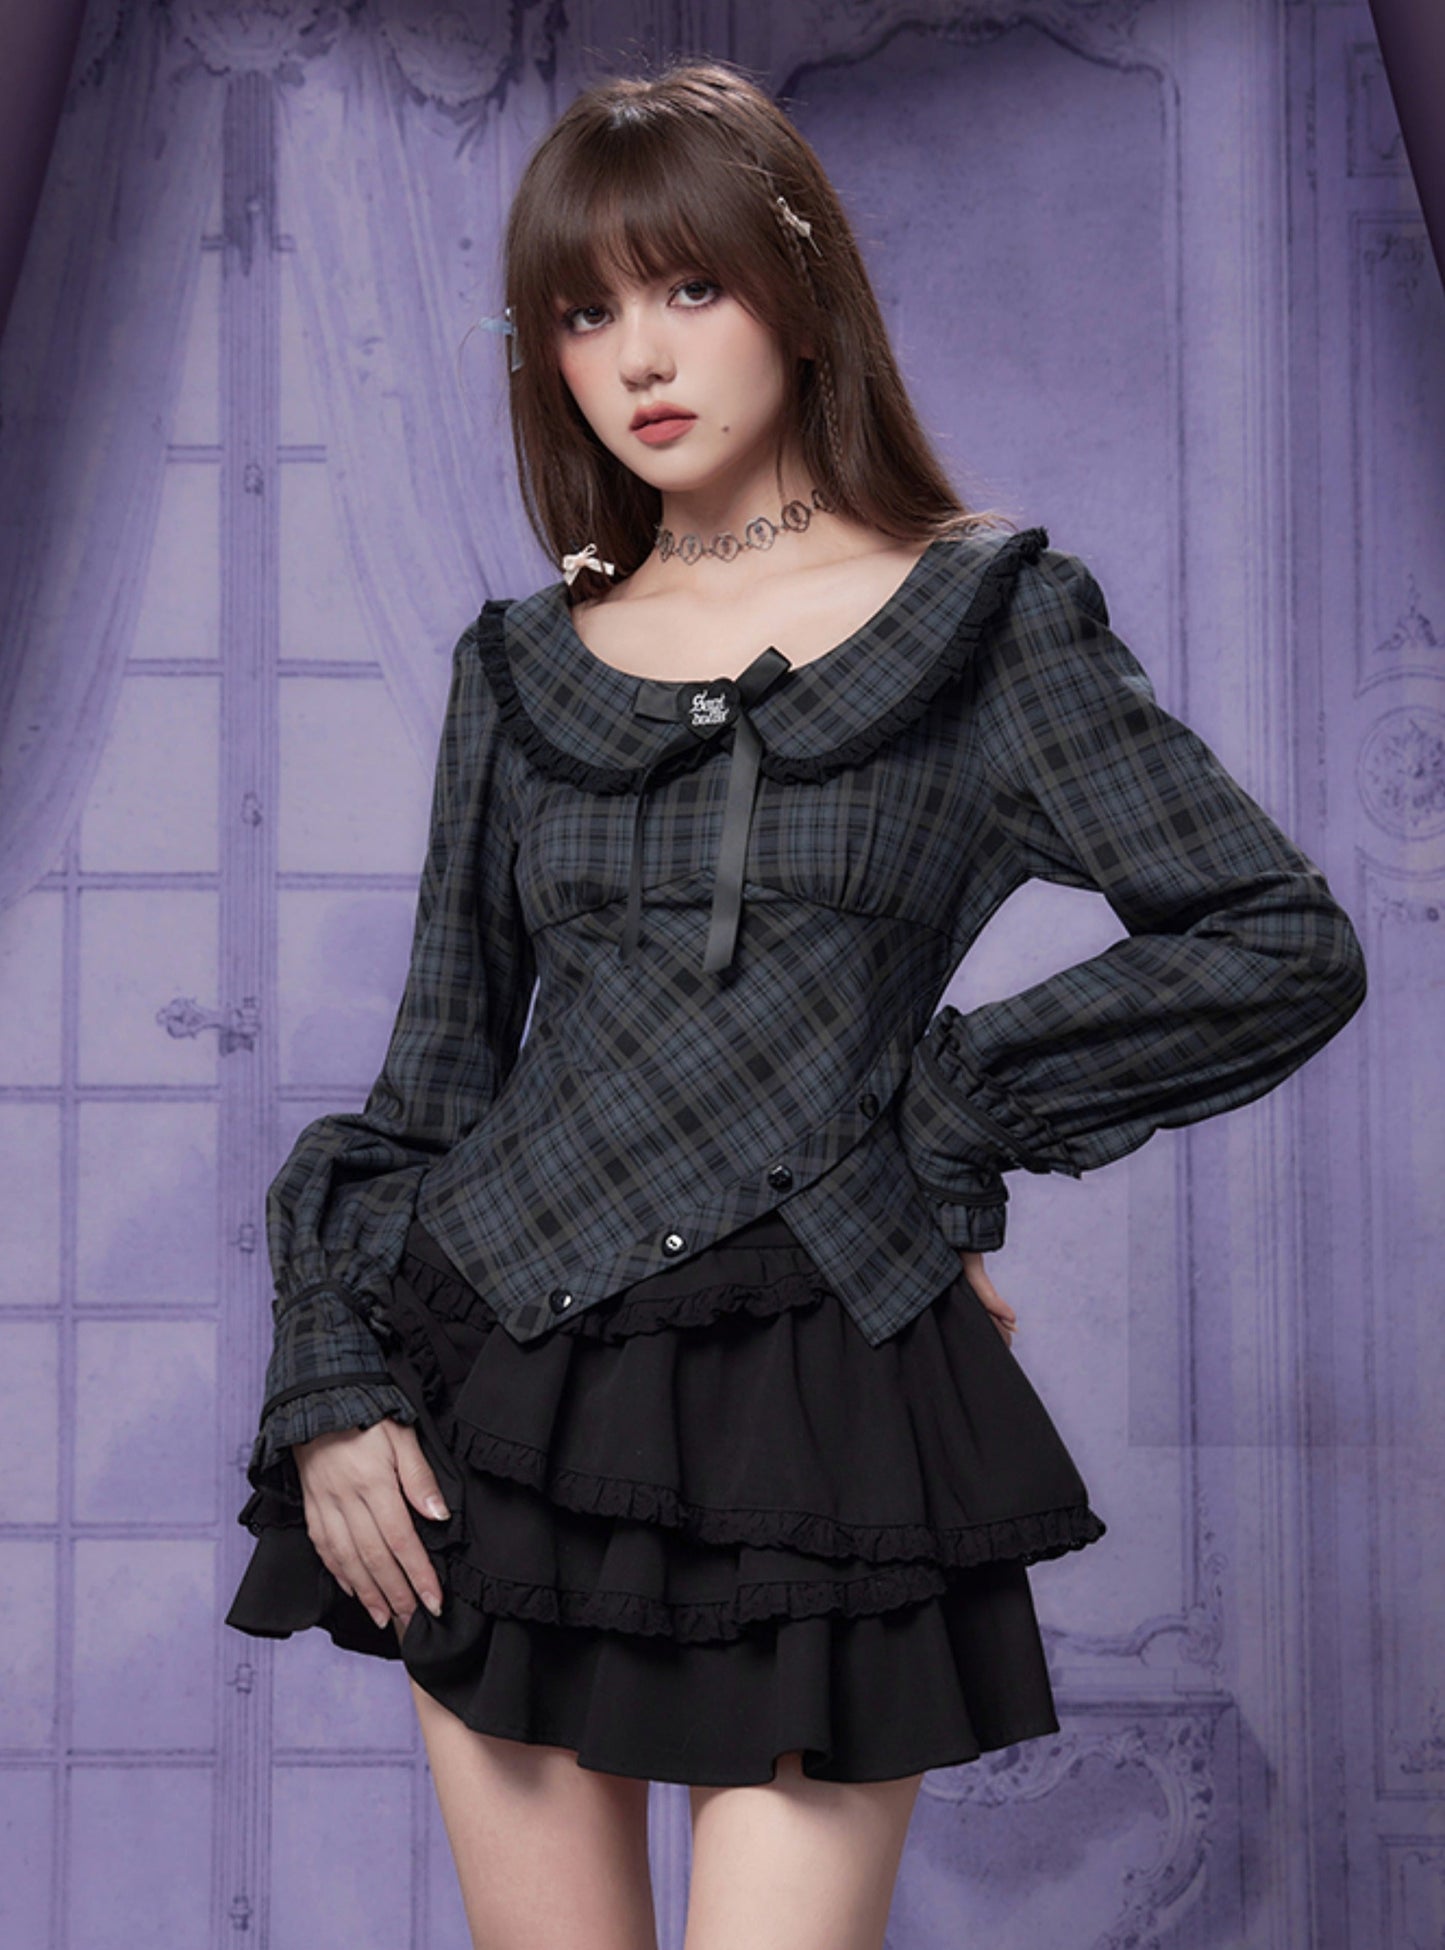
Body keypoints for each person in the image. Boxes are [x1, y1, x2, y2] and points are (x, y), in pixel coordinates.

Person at [224, 55, 1368, 1950]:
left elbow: (1274, 937)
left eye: (690, 286)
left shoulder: (988, 622)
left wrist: (946, 1121)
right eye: (583, 311)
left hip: (825, 1402)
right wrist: (334, 1384)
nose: (637, 355)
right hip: (494, 1382)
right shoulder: (517, 669)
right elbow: (432, 1083)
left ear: (801, 292)